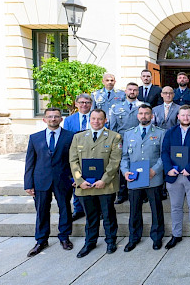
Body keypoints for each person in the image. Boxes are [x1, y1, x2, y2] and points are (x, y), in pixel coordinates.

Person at [69, 109, 122, 258]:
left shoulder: (114, 137)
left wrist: (104, 180)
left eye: (100, 119)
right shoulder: (78, 137)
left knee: (108, 215)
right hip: (85, 187)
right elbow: (73, 161)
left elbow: (114, 161)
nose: (96, 122)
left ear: (105, 120)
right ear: (89, 120)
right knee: (91, 217)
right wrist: (79, 181)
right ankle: (89, 242)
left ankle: (111, 241)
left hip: (106, 185)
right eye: (93, 118)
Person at [24, 108, 75, 257]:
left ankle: (64, 237)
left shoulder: (70, 137)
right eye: (50, 117)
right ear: (44, 119)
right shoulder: (35, 138)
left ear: (61, 119)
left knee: (65, 209)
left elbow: (74, 160)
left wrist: (74, 178)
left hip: (63, 180)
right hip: (41, 180)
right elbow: (30, 162)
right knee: (41, 211)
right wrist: (28, 183)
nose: (53, 119)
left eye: (56, 116)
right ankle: (41, 240)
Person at [161, 105, 190, 249]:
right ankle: (176, 235)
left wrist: (189, 168)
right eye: (183, 115)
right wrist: (168, 169)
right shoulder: (170, 132)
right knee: (175, 207)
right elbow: (164, 152)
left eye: (188, 115)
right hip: (174, 176)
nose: (185, 118)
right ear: (178, 117)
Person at [121, 105, 166, 252]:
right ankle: (133, 238)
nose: (144, 116)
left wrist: (155, 170)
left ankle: (157, 238)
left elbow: (164, 156)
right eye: (141, 113)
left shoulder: (160, 133)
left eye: (147, 113)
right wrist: (125, 172)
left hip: (153, 178)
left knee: (156, 210)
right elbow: (125, 157)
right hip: (134, 179)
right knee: (134, 210)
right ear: (137, 115)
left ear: (152, 116)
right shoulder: (128, 134)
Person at [109, 82, 143, 204]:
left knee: (138, 164)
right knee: (122, 166)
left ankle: (140, 192)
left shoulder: (143, 106)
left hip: (139, 141)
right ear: (125, 91)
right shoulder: (116, 108)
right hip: (121, 141)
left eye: (135, 90)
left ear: (138, 92)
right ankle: (122, 193)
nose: (132, 92)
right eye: (130, 90)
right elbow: (113, 127)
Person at [62, 93, 92, 220]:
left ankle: (96, 209)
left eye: (87, 102)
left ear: (91, 104)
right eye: (81, 102)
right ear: (76, 104)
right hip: (76, 155)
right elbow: (67, 139)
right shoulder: (69, 120)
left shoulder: (97, 117)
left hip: (93, 155)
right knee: (76, 181)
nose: (84, 105)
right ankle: (78, 209)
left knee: (93, 180)